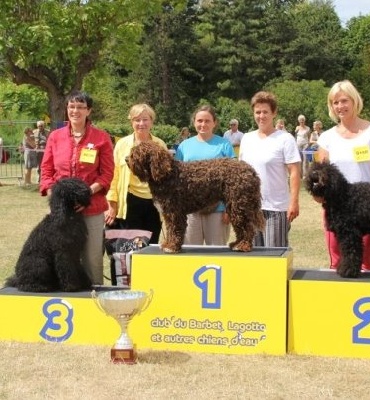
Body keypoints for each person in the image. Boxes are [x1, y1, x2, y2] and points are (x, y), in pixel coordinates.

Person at [316, 79, 370, 271]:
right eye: (335, 102)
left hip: (369, 207)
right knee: (338, 262)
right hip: (337, 209)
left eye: (344, 100)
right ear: (331, 106)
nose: (340, 106)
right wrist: (320, 198)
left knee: (367, 263)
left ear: (354, 101)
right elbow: (320, 176)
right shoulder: (326, 137)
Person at [40, 91, 115, 285]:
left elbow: (107, 173)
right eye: (72, 106)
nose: (75, 111)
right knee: (63, 256)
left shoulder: (101, 138)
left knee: (92, 260)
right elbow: (46, 171)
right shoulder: (55, 137)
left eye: (80, 107)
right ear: (67, 109)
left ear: (88, 111)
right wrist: (55, 198)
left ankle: (95, 299)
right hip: (61, 211)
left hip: (92, 208)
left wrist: (85, 195)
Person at [239, 91, 301, 247]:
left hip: (276, 208)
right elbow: (240, 173)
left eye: (265, 112)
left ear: (274, 113)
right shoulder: (247, 138)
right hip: (250, 207)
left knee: (274, 257)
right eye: (258, 112)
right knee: (252, 256)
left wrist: (294, 202)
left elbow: (294, 172)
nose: (261, 116)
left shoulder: (285, 139)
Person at [105, 103, 167, 244]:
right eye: (137, 120)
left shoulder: (160, 144)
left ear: (151, 121)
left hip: (154, 203)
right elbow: (113, 176)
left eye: (145, 119)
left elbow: (166, 178)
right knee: (128, 247)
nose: (141, 123)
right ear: (131, 122)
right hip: (129, 201)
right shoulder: (122, 144)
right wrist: (112, 204)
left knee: (151, 247)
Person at [175, 105, 235, 246]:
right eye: (200, 120)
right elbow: (176, 181)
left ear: (214, 123)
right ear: (194, 122)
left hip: (218, 210)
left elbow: (233, 180)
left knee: (217, 255)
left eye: (207, 121)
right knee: (190, 254)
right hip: (190, 212)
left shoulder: (224, 144)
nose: (203, 124)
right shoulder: (184, 146)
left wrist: (229, 209)